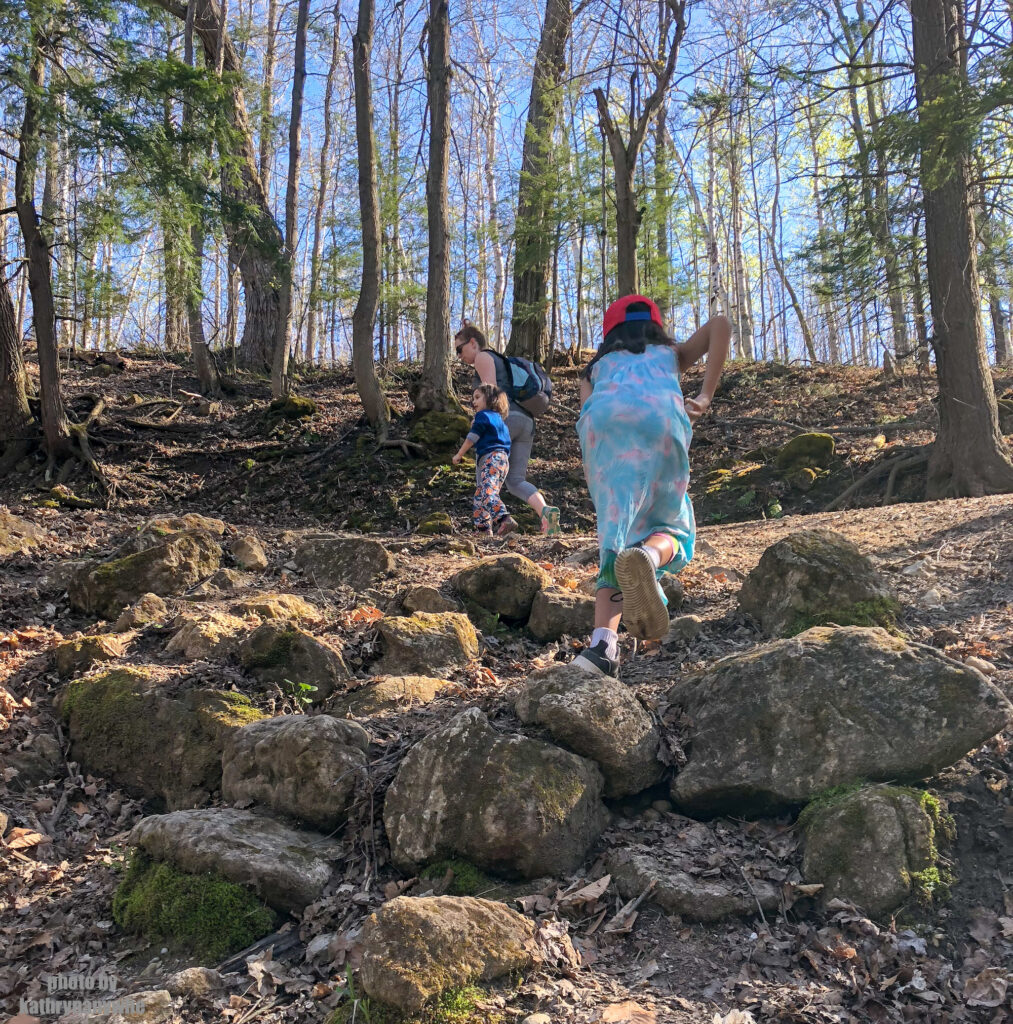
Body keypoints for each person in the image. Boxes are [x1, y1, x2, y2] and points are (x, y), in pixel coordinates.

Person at [571, 295, 730, 678]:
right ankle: (651, 557)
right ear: (656, 325)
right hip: (661, 423)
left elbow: (586, 411)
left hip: (605, 431)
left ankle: (601, 648)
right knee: (672, 523)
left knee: (615, 536)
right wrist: (705, 394)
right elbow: (721, 325)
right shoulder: (669, 354)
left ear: (610, 332)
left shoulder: (596, 368)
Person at [454, 323, 560, 536]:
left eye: (459, 349)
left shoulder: (482, 357)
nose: (459, 355)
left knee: (484, 478)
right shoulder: (500, 360)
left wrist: (479, 423)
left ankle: (484, 529)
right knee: (515, 481)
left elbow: (491, 394)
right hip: (526, 423)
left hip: (505, 422)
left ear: (473, 343)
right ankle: (546, 512)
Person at [452, 384, 518, 537]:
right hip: (503, 461)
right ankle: (483, 530)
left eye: (477, 397)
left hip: (492, 458)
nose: (473, 402)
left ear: (490, 399)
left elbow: (472, 438)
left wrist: (459, 455)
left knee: (487, 491)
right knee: (481, 494)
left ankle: (504, 518)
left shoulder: (483, 416)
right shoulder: (500, 421)